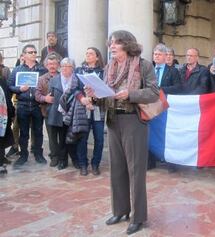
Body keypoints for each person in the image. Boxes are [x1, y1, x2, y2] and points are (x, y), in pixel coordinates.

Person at [85, 30, 159, 235]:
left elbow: (154, 93)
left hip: (134, 120)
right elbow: (104, 95)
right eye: (110, 43)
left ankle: (138, 217)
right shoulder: (109, 67)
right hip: (113, 119)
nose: (112, 46)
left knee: (135, 171)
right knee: (116, 168)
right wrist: (93, 94)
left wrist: (131, 94)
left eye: (116, 42)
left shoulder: (143, 65)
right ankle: (120, 210)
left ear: (127, 44)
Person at [8, 44, 48, 167]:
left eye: (35, 52)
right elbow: (10, 86)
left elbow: (47, 84)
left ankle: (38, 154)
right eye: (30, 52)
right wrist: (19, 89)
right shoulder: (17, 70)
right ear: (24, 55)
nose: (33, 54)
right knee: (23, 132)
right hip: (23, 105)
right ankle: (23, 155)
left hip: (37, 105)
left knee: (38, 131)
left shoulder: (42, 69)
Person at [47, 58, 86, 170]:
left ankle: (75, 159)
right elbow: (51, 96)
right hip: (59, 114)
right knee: (62, 138)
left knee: (73, 138)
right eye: (63, 66)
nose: (64, 68)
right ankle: (62, 160)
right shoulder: (54, 80)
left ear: (72, 68)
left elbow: (81, 94)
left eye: (67, 66)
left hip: (74, 114)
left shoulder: (78, 80)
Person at [148, 43, 180, 170]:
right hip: (149, 106)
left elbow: (178, 87)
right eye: (155, 54)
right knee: (150, 134)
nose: (156, 56)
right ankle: (150, 162)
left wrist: (161, 90)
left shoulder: (173, 71)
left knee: (165, 134)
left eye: (159, 54)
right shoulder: (148, 70)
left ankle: (170, 161)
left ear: (166, 56)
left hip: (165, 109)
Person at [75, 47, 105, 176]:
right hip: (84, 108)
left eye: (91, 53)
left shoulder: (103, 72)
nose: (88, 55)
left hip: (98, 108)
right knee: (82, 138)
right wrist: (82, 99)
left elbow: (106, 90)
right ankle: (83, 164)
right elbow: (75, 89)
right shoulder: (79, 71)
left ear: (97, 57)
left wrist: (94, 99)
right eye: (86, 53)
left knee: (99, 138)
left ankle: (95, 164)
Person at [35, 52, 62, 167]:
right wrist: (45, 98)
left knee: (62, 135)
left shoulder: (63, 77)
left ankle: (63, 156)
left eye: (54, 64)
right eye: (50, 64)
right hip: (48, 112)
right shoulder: (41, 79)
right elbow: (37, 94)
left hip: (62, 112)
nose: (52, 66)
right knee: (52, 136)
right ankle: (54, 156)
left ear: (58, 65)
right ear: (46, 65)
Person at [0, 70, 15, 166]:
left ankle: (1, 157)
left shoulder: (2, 79)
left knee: (2, 137)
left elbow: (7, 96)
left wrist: (11, 111)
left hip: (3, 114)